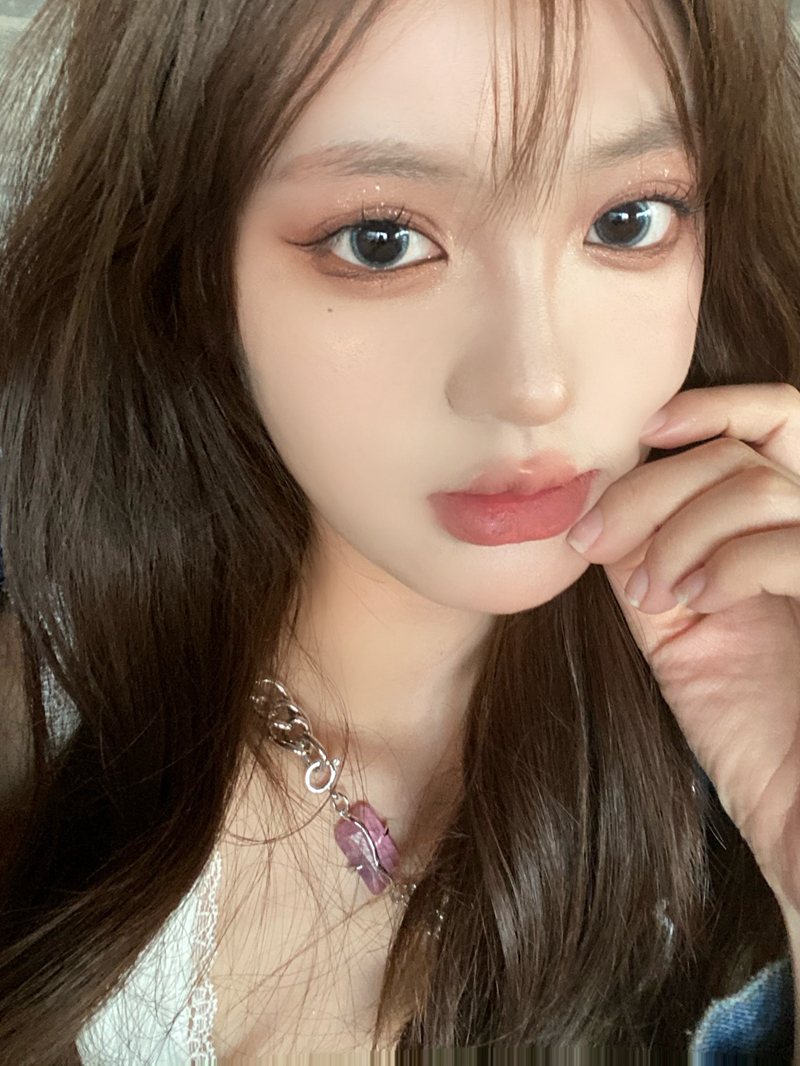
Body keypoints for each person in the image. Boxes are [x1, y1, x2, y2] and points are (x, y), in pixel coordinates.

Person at [0, 0, 798, 1060]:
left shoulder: (757, 706)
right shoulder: (43, 744)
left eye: (627, 221)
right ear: (192, 275)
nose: (532, 383)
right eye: (380, 242)